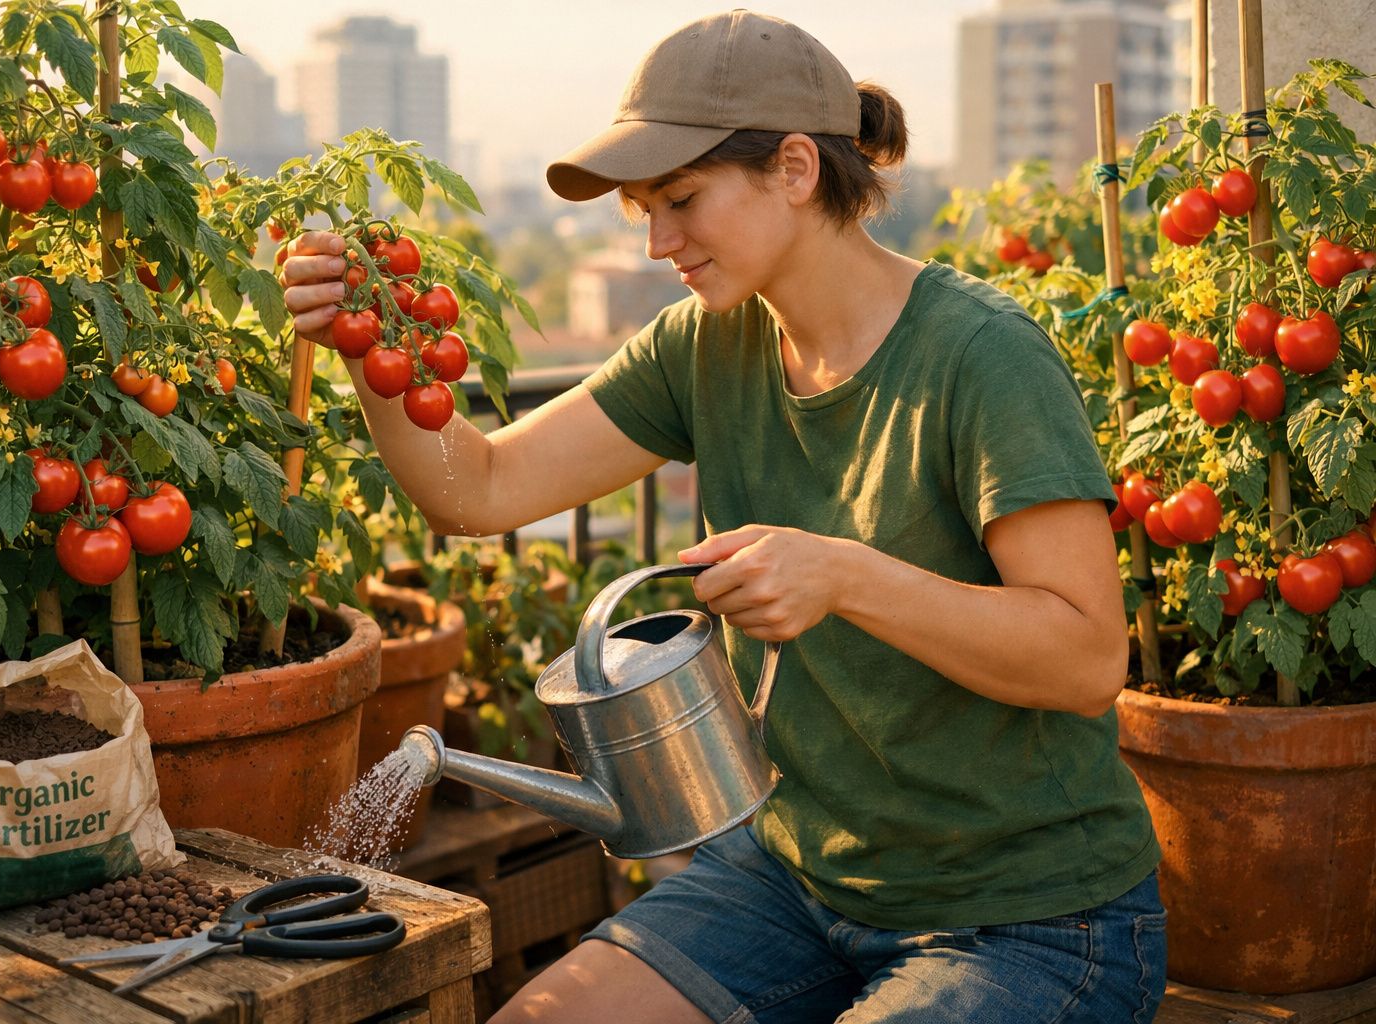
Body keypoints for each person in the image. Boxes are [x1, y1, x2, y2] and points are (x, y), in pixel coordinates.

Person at [283, 11, 1165, 1023]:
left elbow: (1088, 656)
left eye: (683, 201)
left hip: (1035, 919)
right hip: (797, 881)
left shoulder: (982, 358)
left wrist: (843, 575)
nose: (660, 242)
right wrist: (366, 344)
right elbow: (475, 489)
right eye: (644, 212)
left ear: (795, 167)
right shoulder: (702, 346)